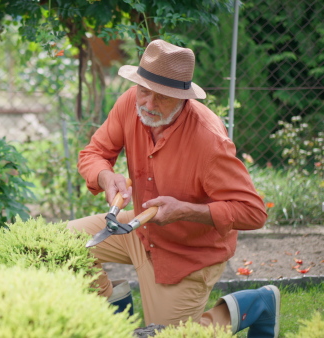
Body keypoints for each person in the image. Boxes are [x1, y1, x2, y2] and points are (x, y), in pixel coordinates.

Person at [68, 39, 279, 337]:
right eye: (144, 91)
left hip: (189, 254)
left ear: (183, 98)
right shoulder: (131, 102)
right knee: (60, 246)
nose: (149, 105)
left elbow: (254, 212)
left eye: (162, 97)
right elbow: (93, 154)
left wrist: (186, 211)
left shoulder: (209, 141)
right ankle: (117, 318)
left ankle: (258, 302)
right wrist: (106, 177)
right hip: (139, 231)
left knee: (167, 336)